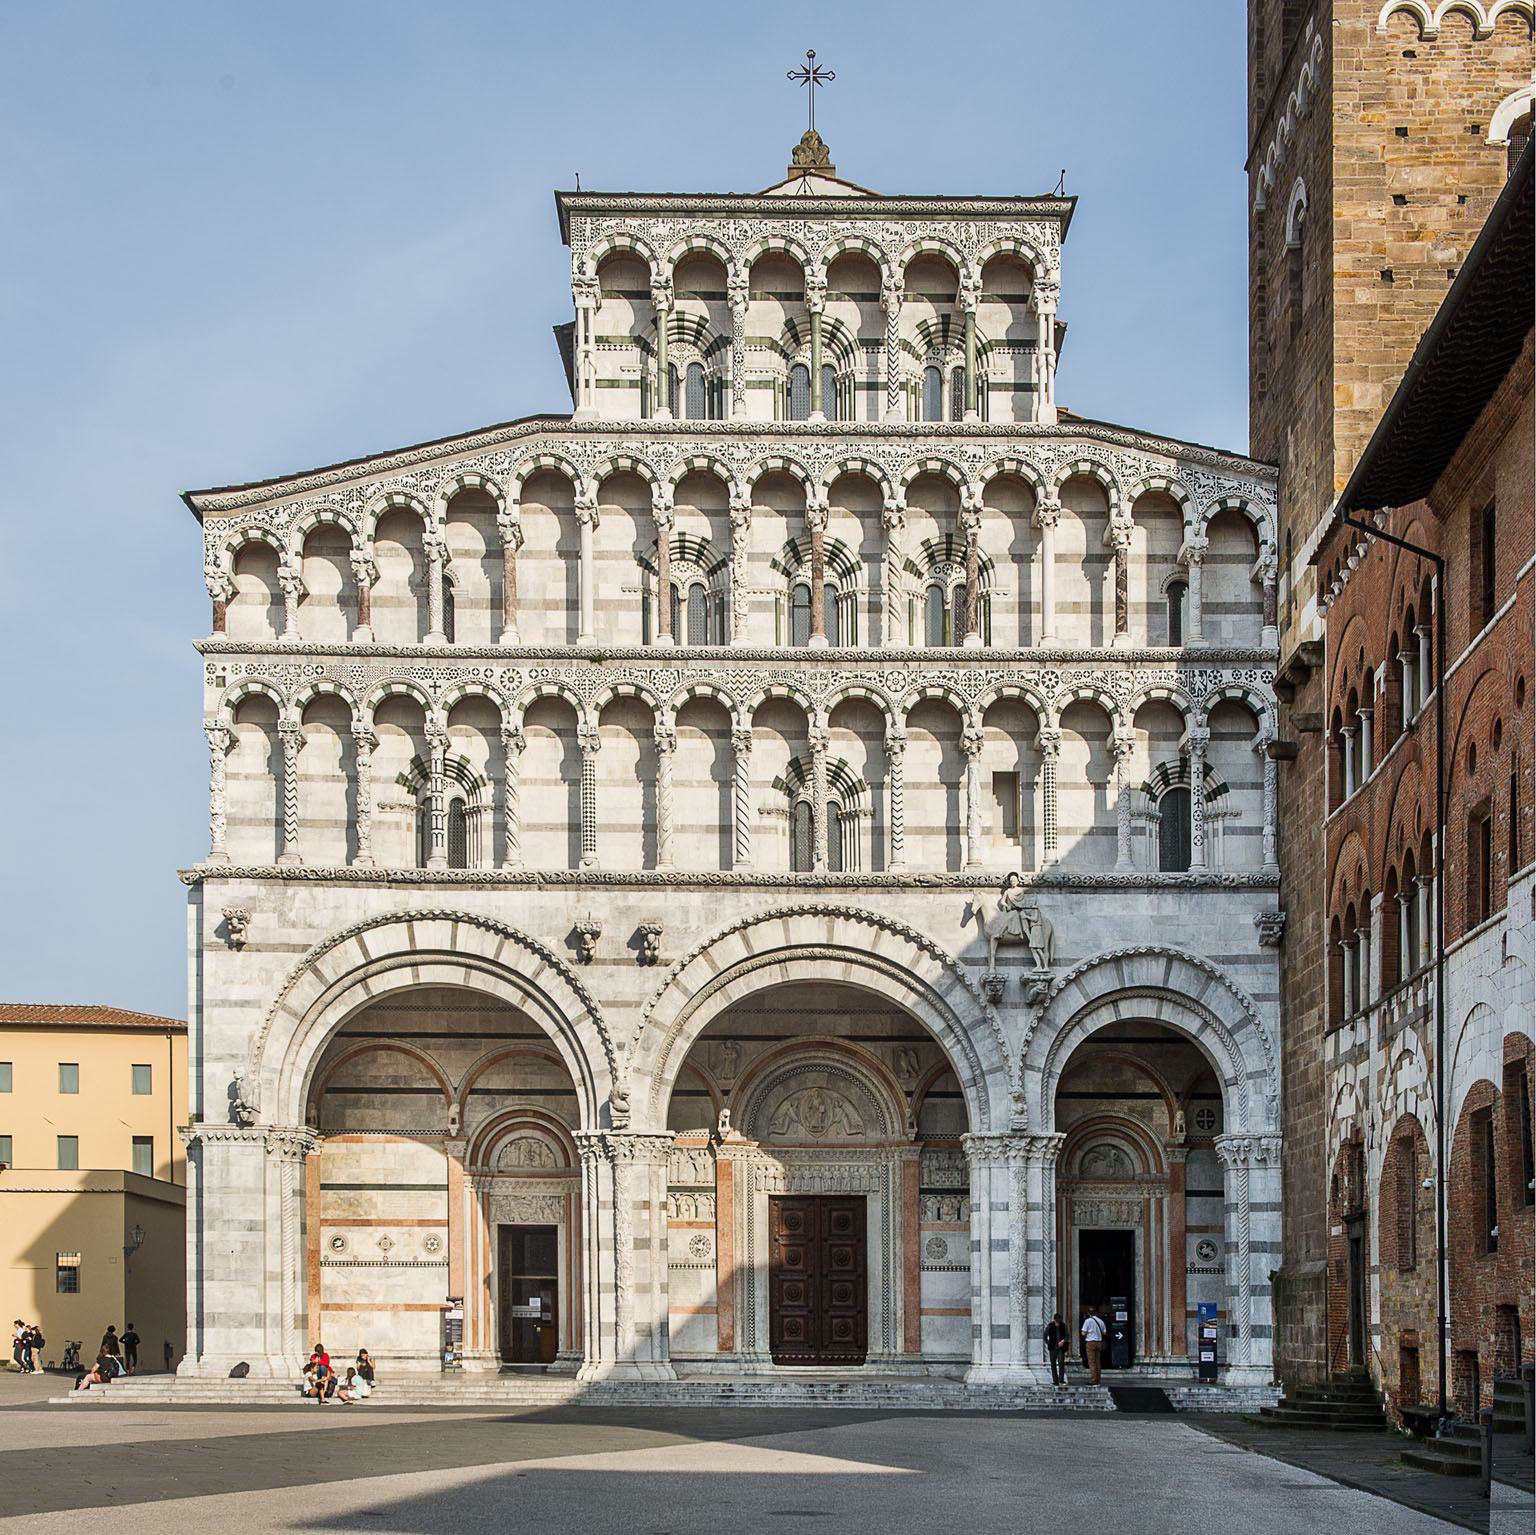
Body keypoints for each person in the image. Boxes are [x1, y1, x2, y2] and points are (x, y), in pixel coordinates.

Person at [1081, 1304, 1107, 1385]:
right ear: (1096, 1313)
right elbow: (1105, 1333)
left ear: (1088, 1313)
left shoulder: (1087, 1321)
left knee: (1092, 1363)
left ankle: (1093, 1380)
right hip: (1099, 1342)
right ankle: (1098, 1379)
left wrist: (1089, 1332)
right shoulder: (1100, 1321)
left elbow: (1083, 1333)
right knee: (1097, 1362)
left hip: (1091, 1342)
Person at [1044, 1311, 1071, 1385]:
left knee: (1061, 1362)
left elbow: (1067, 1335)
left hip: (1061, 1348)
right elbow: (1045, 1335)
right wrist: (1048, 1342)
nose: (1058, 1323)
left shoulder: (1063, 1326)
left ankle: (1061, 1379)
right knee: (1053, 1364)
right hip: (1053, 1347)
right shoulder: (1050, 1326)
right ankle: (1055, 1380)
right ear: (1054, 1320)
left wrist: (1063, 1341)